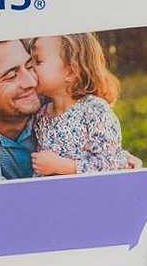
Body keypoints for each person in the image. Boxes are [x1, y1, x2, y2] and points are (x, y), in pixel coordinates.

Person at [0, 38, 141, 185]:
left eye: (31, 65)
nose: (31, 82)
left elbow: (106, 158)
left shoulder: (55, 100)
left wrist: (114, 164)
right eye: (11, 76)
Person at [30, 33, 128, 176]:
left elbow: (113, 162)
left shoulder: (95, 111)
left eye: (38, 61)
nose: (30, 67)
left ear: (71, 72)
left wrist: (64, 167)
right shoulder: (41, 115)